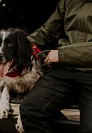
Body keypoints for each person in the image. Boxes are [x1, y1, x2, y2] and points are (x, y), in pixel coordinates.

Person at [20, 0, 92, 132]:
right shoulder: (68, 1)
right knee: (31, 109)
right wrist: (20, 46)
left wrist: (62, 54)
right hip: (65, 69)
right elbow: (47, 31)